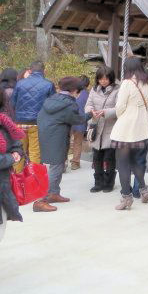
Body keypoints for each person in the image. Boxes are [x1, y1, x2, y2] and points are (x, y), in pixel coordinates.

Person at [34, 77, 93, 213]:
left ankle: (54, 193)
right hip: (58, 136)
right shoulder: (69, 104)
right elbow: (77, 119)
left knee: (58, 165)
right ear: (74, 90)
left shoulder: (51, 99)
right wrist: (90, 115)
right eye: (78, 91)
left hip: (46, 134)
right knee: (56, 167)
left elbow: (40, 116)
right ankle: (40, 201)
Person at [110, 57, 148, 211]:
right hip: (142, 128)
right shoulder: (147, 81)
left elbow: (120, 106)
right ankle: (145, 192)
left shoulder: (127, 83)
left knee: (123, 164)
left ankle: (126, 198)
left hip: (126, 129)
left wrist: (124, 116)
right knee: (137, 162)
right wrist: (146, 112)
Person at [11, 61, 55, 169]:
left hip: (19, 123)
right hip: (37, 123)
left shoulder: (20, 83)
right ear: (43, 71)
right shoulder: (48, 84)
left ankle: (17, 181)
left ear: (30, 71)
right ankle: (34, 180)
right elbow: (53, 106)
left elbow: (12, 103)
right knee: (35, 153)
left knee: (19, 152)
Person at [84, 66, 119, 193]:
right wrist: (91, 111)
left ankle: (109, 183)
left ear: (111, 78)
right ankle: (98, 182)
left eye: (106, 79)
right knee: (97, 157)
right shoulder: (94, 90)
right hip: (96, 127)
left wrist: (105, 112)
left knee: (109, 158)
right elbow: (88, 104)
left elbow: (119, 108)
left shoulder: (117, 90)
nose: (103, 81)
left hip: (110, 128)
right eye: (100, 79)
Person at [0, 90, 24, 226]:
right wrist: (10, 159)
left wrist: (16, 152)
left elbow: (16, 143)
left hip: (4, 190)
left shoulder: (5, 120)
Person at [69, 75, 90, 170]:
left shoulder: (71, 92)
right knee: (78, 142)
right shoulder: (87, 95)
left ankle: (63, 163)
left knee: (66, 142)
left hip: (69, 120)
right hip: (81, 121)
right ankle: (75, 163)